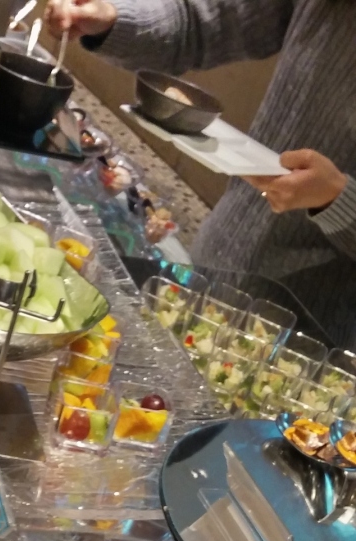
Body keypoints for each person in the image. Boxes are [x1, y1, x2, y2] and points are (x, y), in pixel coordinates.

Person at [44, 0, 356, 348]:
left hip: (307, 346)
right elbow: (201, 21)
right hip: (211, 273)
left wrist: (337, 198)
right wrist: (112, 21)